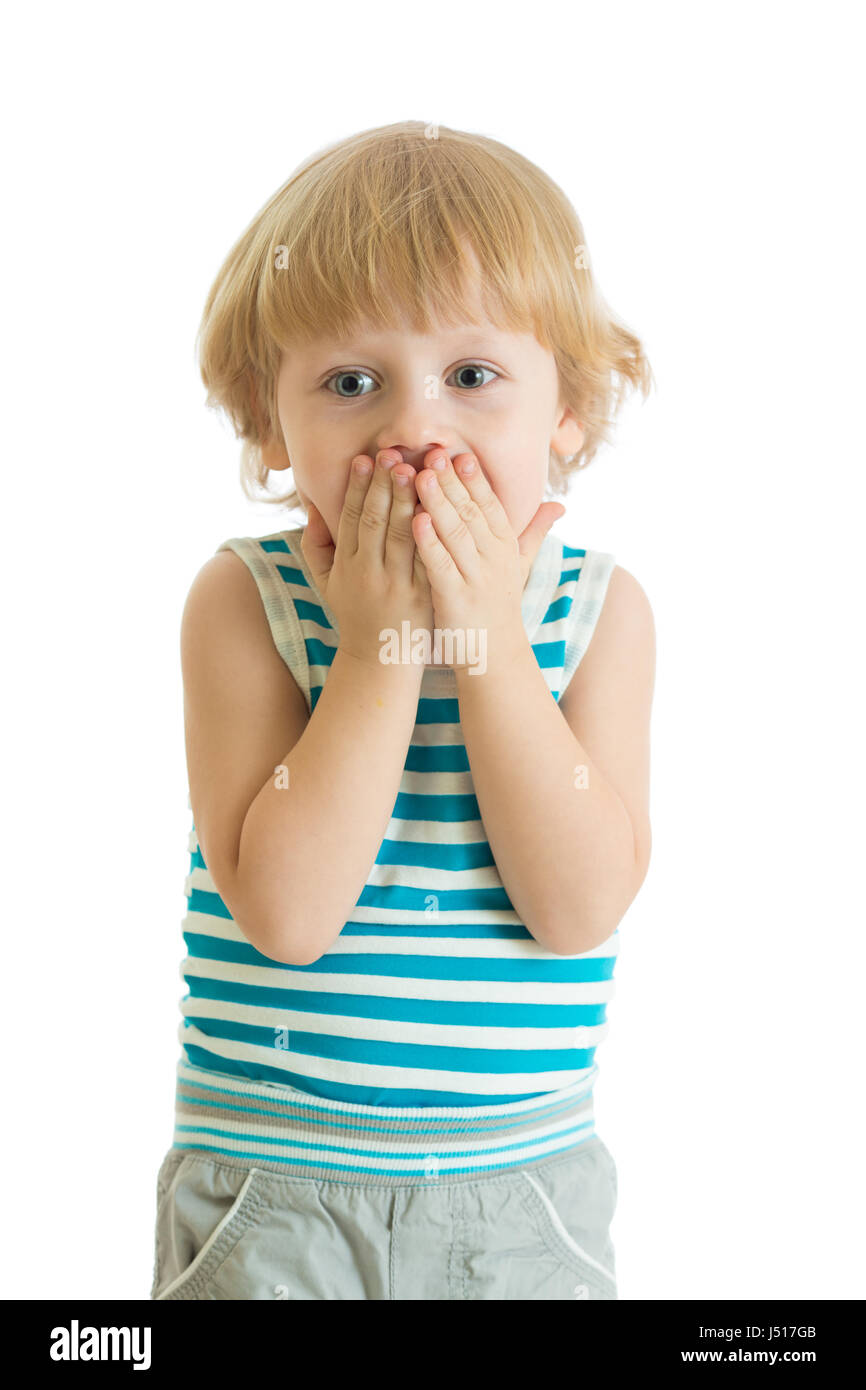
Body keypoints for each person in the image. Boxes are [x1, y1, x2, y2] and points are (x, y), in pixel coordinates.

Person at [150, 119, 656, 1301]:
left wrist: (483, 646)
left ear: (564, 413)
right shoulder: (245, 602)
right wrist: (379, 651)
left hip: (520, 1195)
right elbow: (285, 914)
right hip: (273, 1188)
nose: (413, 428)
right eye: (349, 382)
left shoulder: (598, 615)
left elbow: (577, 906)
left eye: (472, 376)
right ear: (273, 429)